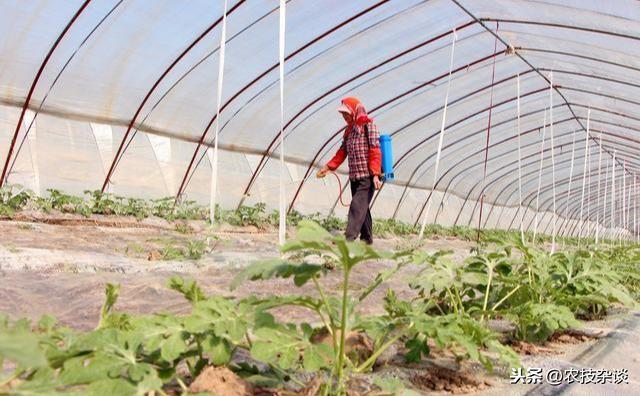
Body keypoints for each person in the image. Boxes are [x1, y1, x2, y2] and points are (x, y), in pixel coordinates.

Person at [316, 97, 382, 244]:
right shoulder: (349, 131)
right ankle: (367, 239)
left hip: (368, 177)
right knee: (362, 208)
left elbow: (375, 151)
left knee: (356, 206)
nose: (344, 117)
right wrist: (328, 167)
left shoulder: (369, 126)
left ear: (354, 111)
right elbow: (342, 152)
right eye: (342, 114)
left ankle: (348, 239)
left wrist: (376, 175)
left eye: (346, 113)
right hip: (354, 177)